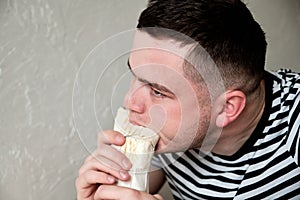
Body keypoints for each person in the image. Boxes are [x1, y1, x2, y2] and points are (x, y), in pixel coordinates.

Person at [76, 0, 300, 199]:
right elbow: (139, 186)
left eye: (158, 91)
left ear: (227, 108)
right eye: (135, 75)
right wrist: (111, 182)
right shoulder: (167, 132)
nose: (130, 103)